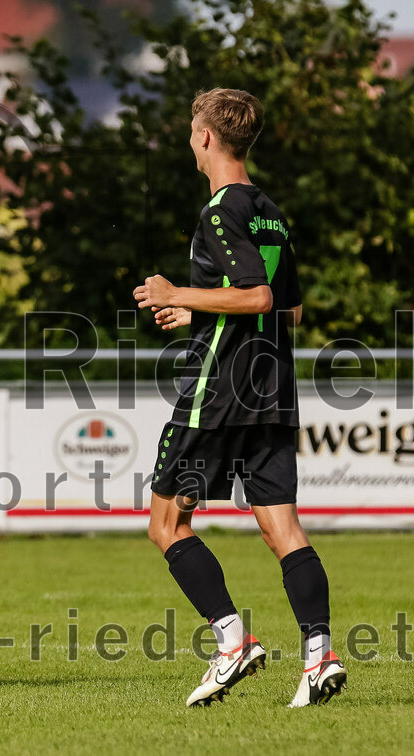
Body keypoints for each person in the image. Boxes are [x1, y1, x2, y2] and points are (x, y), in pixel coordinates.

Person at [133, 88, 346, 708]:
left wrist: (179, 290)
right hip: (272, 386)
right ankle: (318, 656)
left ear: (205, 138)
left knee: (166, 524)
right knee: (282, 527)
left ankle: (232, 641)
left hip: (220, 390)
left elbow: (255, 297)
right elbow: (291, 307)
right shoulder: (270, 211)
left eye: (191, 132)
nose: (190, 143)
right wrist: (192, 310)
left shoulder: (221, 211)